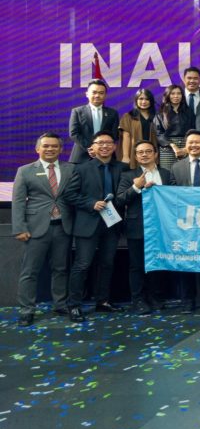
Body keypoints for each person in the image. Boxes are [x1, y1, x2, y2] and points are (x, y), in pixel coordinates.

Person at [12, 133, 81, 326]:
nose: (50, 149)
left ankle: (60, 305)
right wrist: (19, 228)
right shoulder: (25, 171)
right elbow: (18, 202)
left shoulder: (71, 169)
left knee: (61, 269)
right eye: (46, 146)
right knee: (30, 271)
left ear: (61, 149)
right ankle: (26, 311)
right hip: (35, 229)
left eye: (54, 146)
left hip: (63, 227)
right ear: (38, 149)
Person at [69, 131, 128, 321]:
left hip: (112, 224)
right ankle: (74, 305)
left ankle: (103, 301)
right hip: (88, 223)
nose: (105, 146)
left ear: (114, 146)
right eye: (100, 143)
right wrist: (91, 203)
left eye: (108, 142)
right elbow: (70, 194)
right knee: (82, 265)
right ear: (92, 147)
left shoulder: (123, 168)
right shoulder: (80, 169)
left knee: (107, 264)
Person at [115, 140, 176, 314]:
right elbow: (119, 200)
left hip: (162, 226)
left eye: (148, 151)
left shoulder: (166, 173)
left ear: (155, 154)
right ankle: (138, 300)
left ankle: (154, 297)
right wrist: (136, 187)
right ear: (135, 156)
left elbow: (175, 196)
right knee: (137, 265)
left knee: (157, 263)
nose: (144, 155)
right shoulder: (128, 175)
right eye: (140, 152)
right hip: (137, 226)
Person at [170, 129, 200, 313]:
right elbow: (171, 194)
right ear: (185, 145)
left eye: (198, 142)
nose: (194, 145)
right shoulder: (176, 167)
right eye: (190, 142)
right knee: (186, 261)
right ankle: (187, 300)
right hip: (186, 223)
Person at [69, 79, 119, 164]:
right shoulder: (77, 111)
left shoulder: (112, 113)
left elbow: (114, 135)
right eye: (94, 92)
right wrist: (91, 147)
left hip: (105, 156)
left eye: (101, 93)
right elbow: (74, 133)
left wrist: (101, 148)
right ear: (87, 94)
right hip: (81, 157)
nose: (97, 95)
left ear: (105, 95)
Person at [155, 84, 195, 170]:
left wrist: (186, 147)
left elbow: (193, 130)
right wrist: (173, 145)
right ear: (168, 95)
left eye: (179, 93)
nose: (176, 96)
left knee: (185, 173)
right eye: (172, 93)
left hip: (186, 147)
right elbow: (158, 134)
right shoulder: (161, 113)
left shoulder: (189, 112)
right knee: (168, 174)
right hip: (167, 148)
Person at [118, 88, 158, 168]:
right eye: (141, 99)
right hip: (134, 153)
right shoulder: (128, 116)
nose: (144, 102)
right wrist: (126, 156)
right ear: (136, 100)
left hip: (152, 153)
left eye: (147, 99)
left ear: (151, 101)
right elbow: (126, 137)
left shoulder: (157, 116)